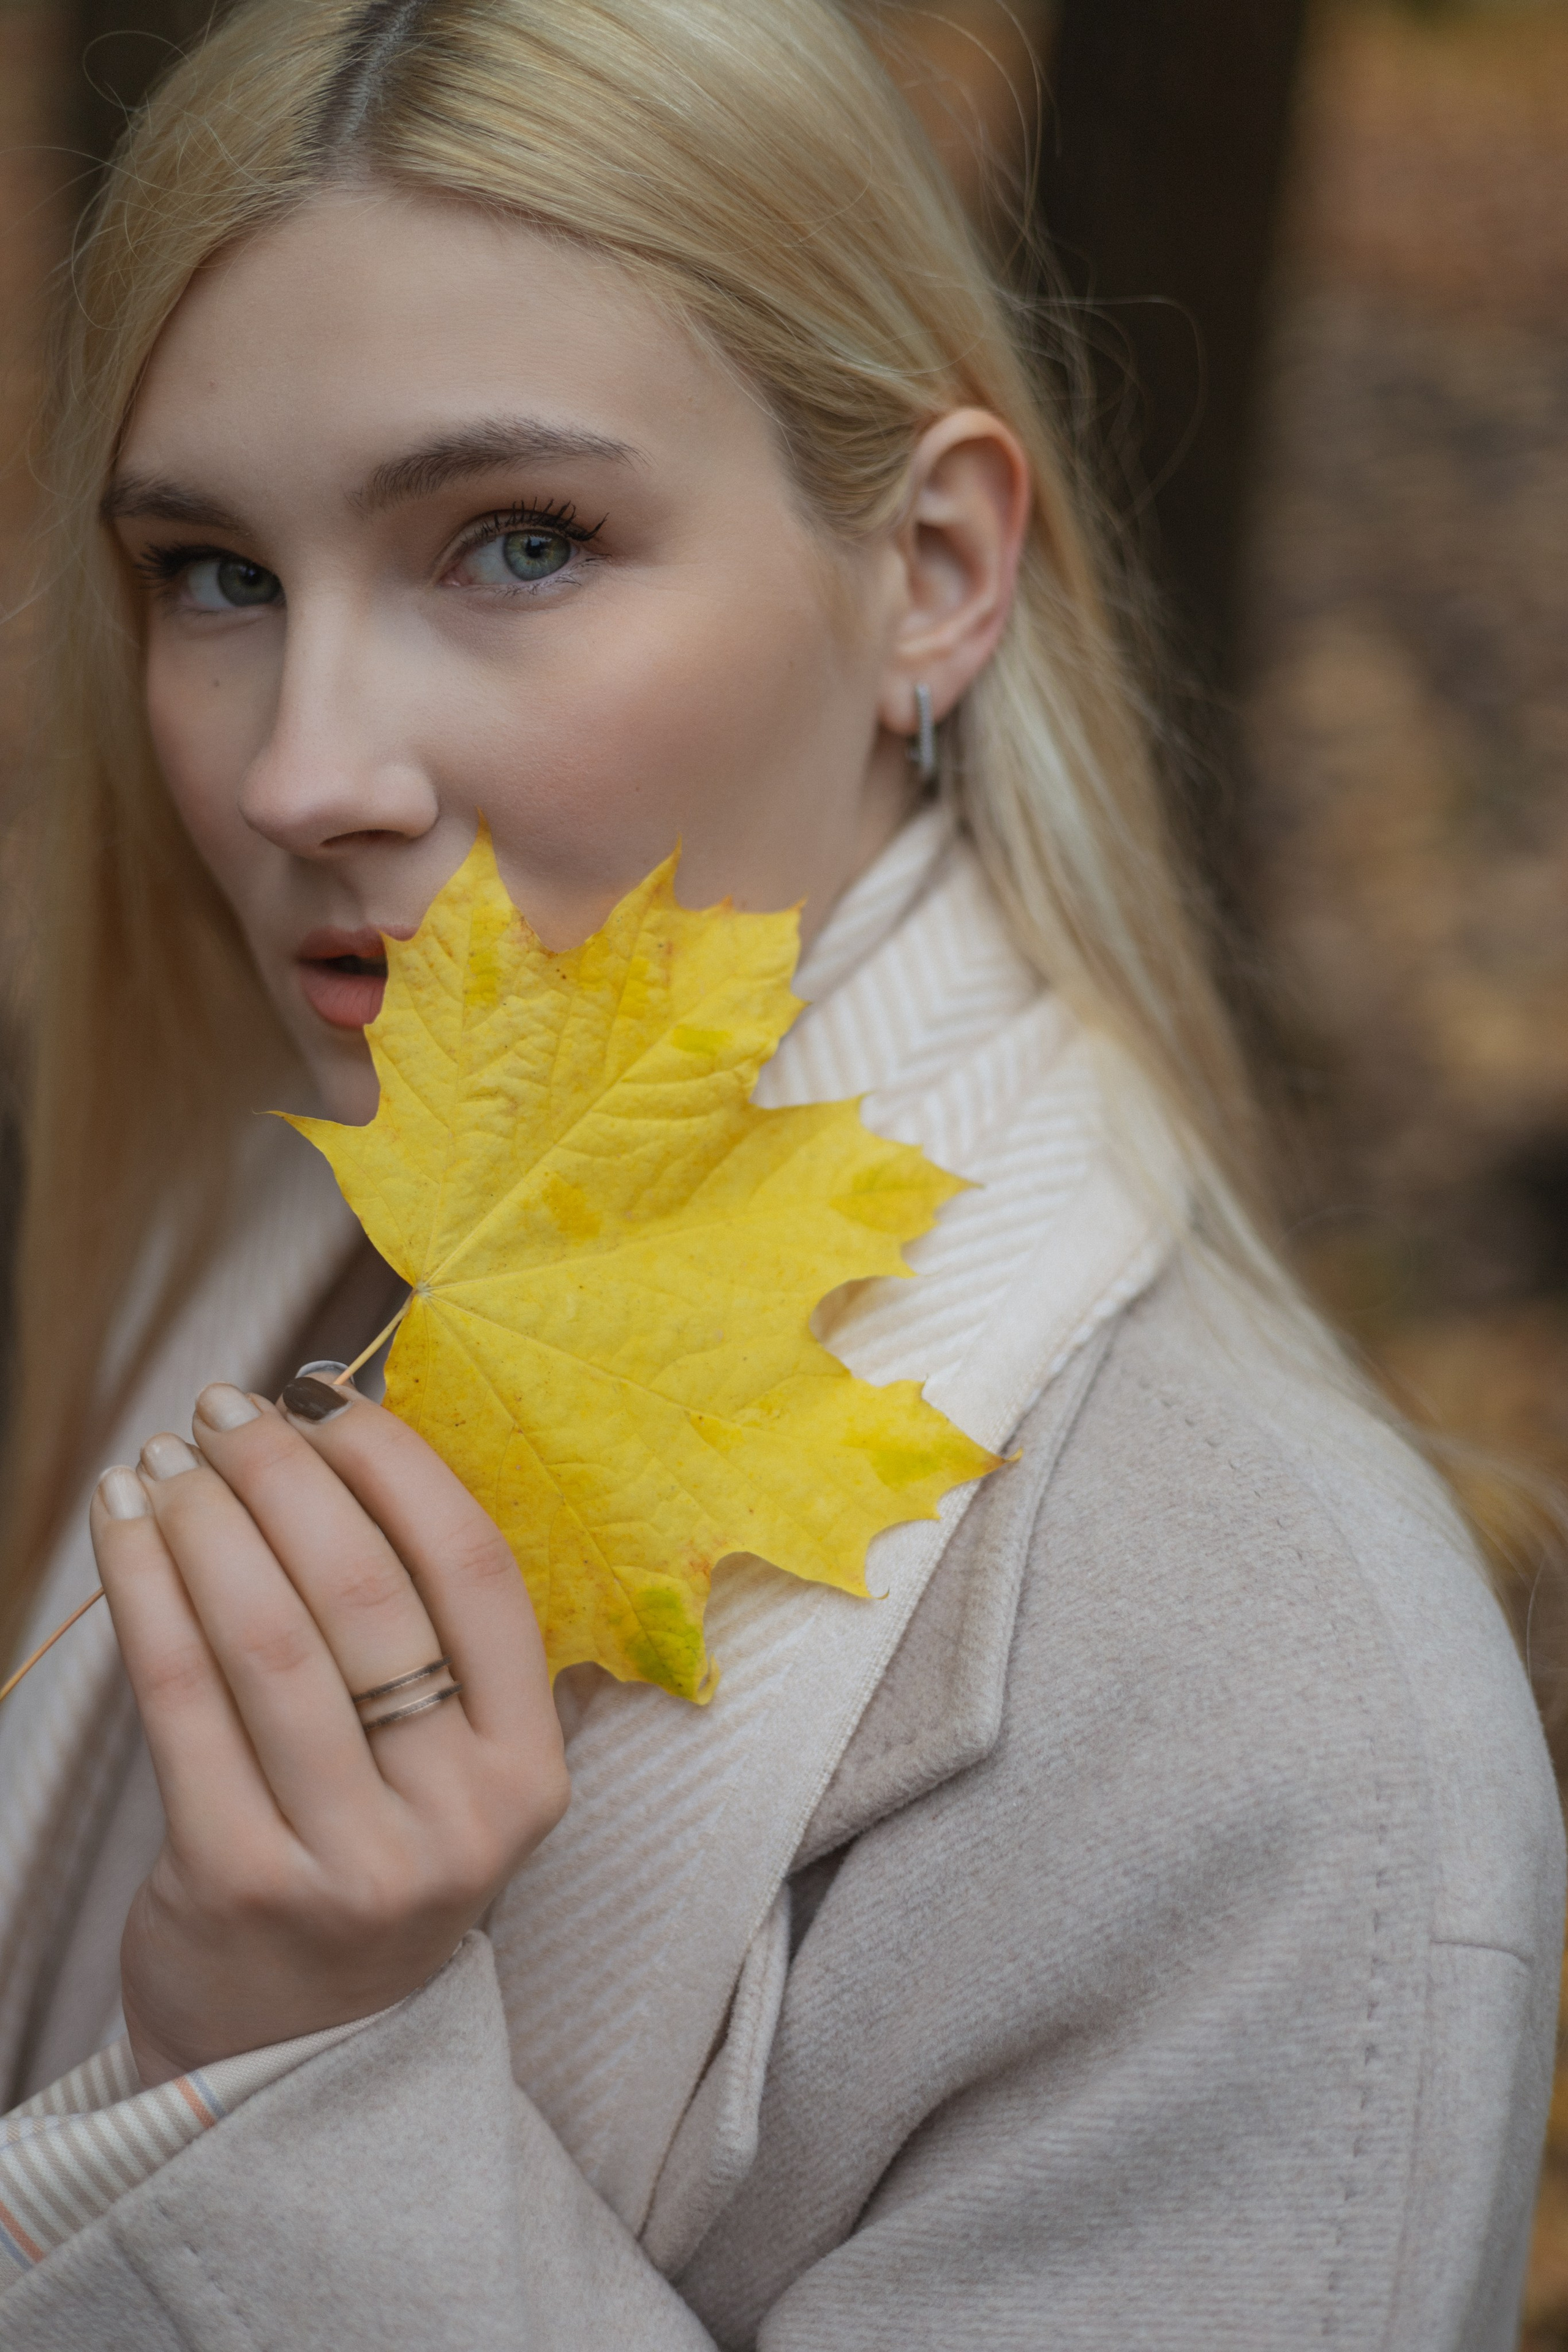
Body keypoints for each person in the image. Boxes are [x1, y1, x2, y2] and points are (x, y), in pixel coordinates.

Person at [0, 0, 1560, 2341]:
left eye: (515, 542)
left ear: (931, 570)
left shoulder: (1270, 1725)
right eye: (216, 575)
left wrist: (295, 2084)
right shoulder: (228, 1240)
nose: (299, 768)